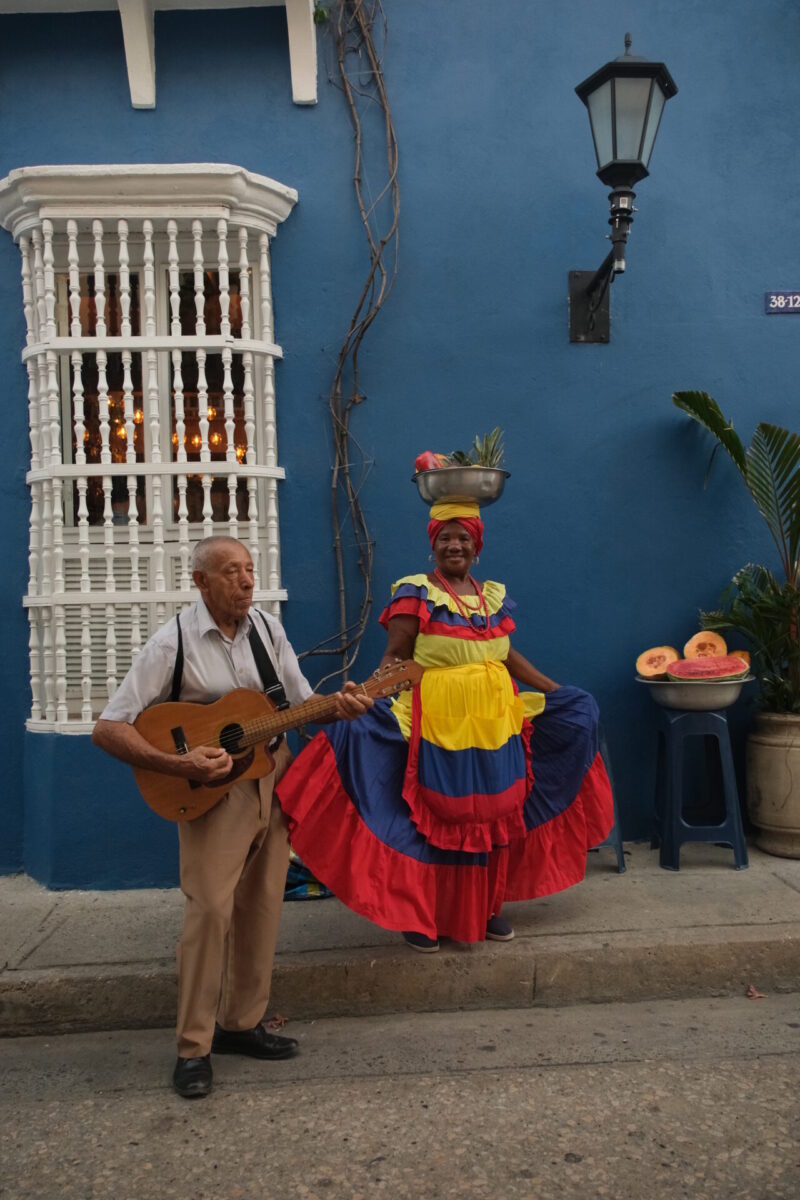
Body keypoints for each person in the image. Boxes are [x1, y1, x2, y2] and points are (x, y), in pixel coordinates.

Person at [92, 535, 372, 1098]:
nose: (246, 581)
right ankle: (193, 1046)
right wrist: (177, 759)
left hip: (272, 778)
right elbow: (110, 726)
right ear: (200, 581)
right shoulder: (172, 642)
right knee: (210, 913)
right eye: (231, 572)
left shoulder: (268, 630)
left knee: (262, 905)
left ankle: (241, 1023)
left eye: (250, 570)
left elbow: (297, 707)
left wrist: (337, 707)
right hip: (211, 793)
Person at [276, 501, 614, 951]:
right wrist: (371, 694)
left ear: (477, 545)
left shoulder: (490, 596)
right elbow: (395, 656)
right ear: (432, 544)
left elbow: (504, 653)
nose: (454, 545)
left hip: (496, 725)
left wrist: (553, 690)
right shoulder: (416, 592)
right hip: (434, 723)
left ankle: (485, 909)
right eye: (444, 538)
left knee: (492, 816)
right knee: (434, 819)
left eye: (463, 537)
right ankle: (422, 915)